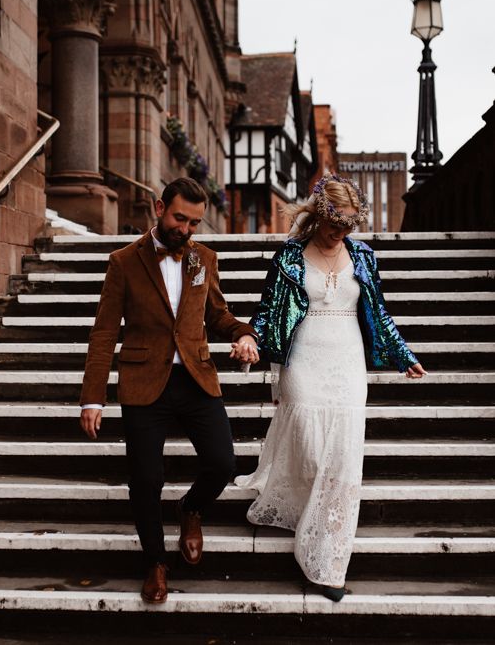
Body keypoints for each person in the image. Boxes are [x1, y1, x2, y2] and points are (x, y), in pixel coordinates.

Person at [233, 173, 427, 602]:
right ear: (318, 217)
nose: (341, 233)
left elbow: (379, 310)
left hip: (347, 359)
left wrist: (402, 354)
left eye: (348, 226)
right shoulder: (290, 256)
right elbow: (267, 309)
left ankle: (325, 559)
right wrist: (250, 338)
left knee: (340, 459)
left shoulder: (363, 256)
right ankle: (307, 508)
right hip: (304, 357)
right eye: (334, 224)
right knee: (311, 445)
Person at [79, 177, 257, 604]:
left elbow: (218, 315)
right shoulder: (124, 261)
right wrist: (93, 396)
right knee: (146, 479)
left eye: (195, 222)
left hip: (195, 377)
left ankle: (191, 509)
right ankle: (155, 562)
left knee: (222, 463)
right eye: (180, 218)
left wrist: (245, 335)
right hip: (145, 382)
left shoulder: (203, 259)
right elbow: (104, 332)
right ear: (159, 208)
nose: (187, 230)